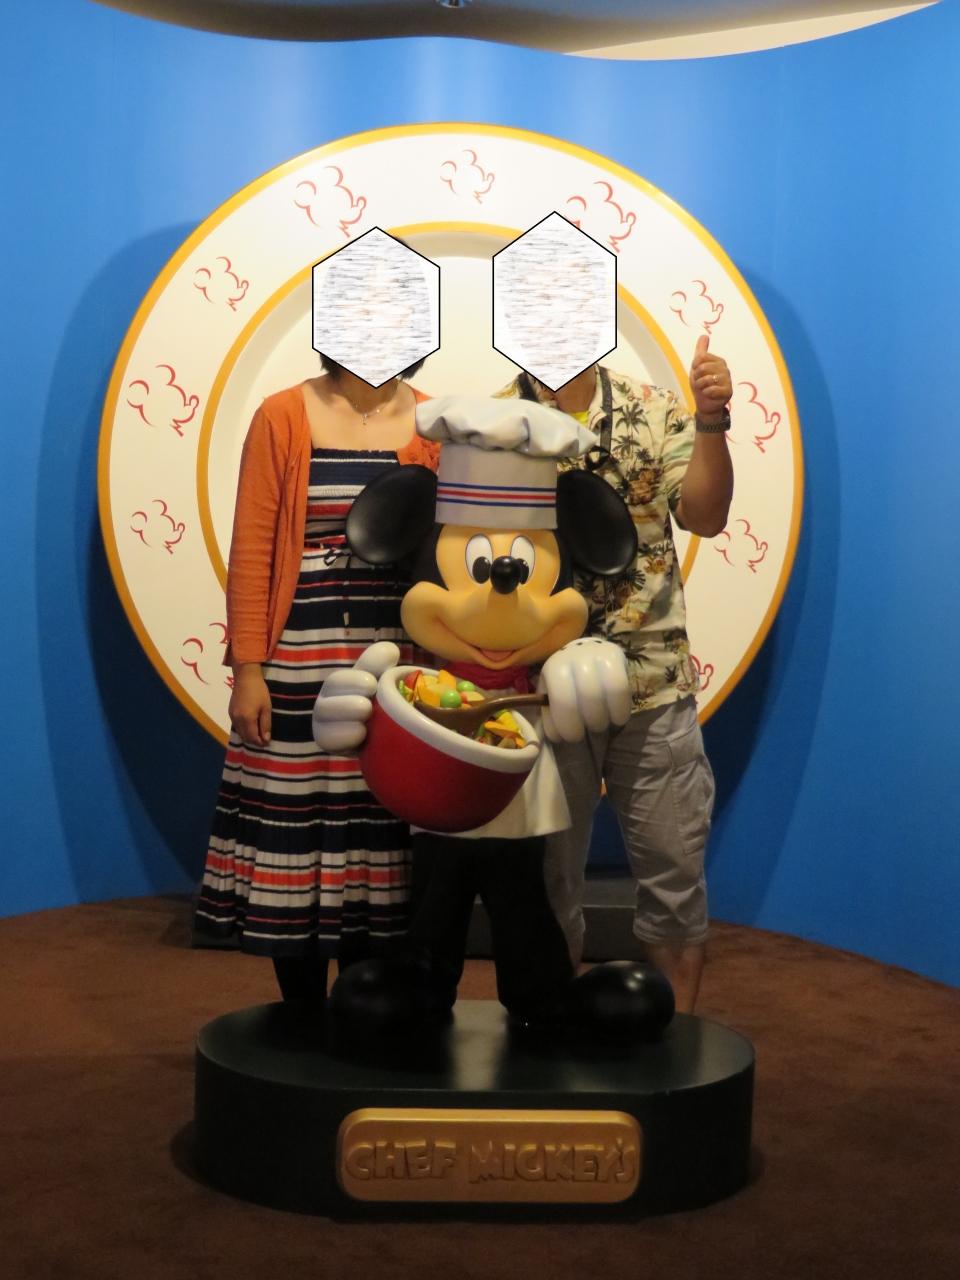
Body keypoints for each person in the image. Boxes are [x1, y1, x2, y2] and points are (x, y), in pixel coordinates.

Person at [494, 337, 733, 1012]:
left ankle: (678, 1044)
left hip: (652, 683)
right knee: (548, 886)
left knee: (675, 878)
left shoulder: (653, 409)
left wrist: (710, 419)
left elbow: (705, 516)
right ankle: (548, 1042)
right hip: (540, 690)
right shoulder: (497, 423)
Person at [193, 354, 439, 1003]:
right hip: (296, 658)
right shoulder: (281, 415)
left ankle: (362, 1004)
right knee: (293, 823)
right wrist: (249, 669)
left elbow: (442, 551)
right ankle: (300, 1013)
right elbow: (253, 549)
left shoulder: (432, 421)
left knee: (379, 819)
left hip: (393, 661)